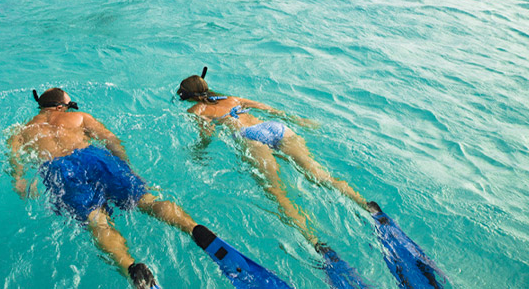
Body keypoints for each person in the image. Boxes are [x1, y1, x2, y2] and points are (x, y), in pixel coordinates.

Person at [176, 67, 449, 288]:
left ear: (187, 96)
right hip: (275, 128)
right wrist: (301, 121)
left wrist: (199, 152)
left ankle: (317, 244)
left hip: (250, 139)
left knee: (278, 194)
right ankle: (369, 207)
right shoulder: (233, 98)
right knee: (320, 175)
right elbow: (271, 109)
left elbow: (206, 137)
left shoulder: (196, 111)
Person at [8, 87, 291, 289]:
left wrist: (19, 179)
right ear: (61, 107)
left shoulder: (23, 129)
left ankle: (133, 269)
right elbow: (111, 140)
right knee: (146, 200)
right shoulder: (80, 118)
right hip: (94, 158)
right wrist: (124, 167)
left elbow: (15, 160)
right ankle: (195, 230)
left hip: (59, 169)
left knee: (97, 220)